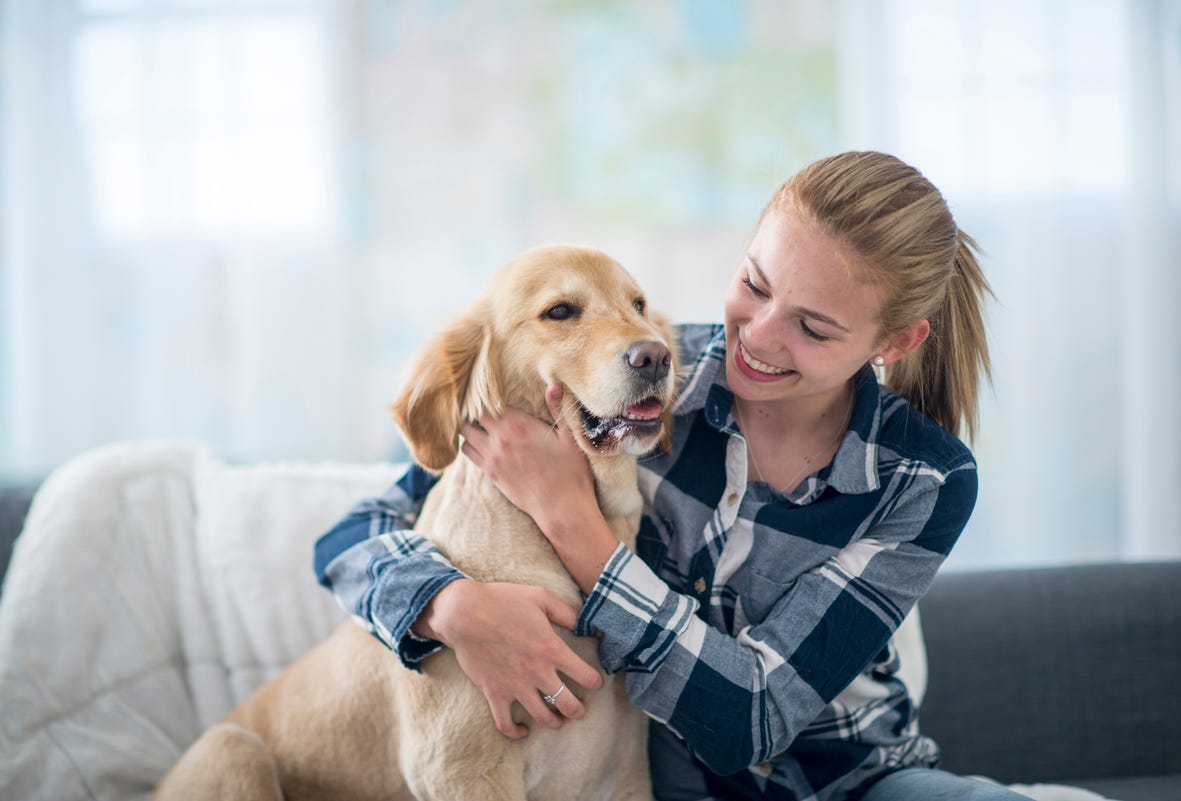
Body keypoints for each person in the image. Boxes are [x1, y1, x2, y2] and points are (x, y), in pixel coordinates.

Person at [313, 151, 1027, 800]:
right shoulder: (635, 370)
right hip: (679, 784)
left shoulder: (924, 478)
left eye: (812, 328)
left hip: (859, 782)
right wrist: (448, 606)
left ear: (895, 342)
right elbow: (355, 531)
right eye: (754, 284)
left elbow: (751, 717)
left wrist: (572, 521)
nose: (759, 336)